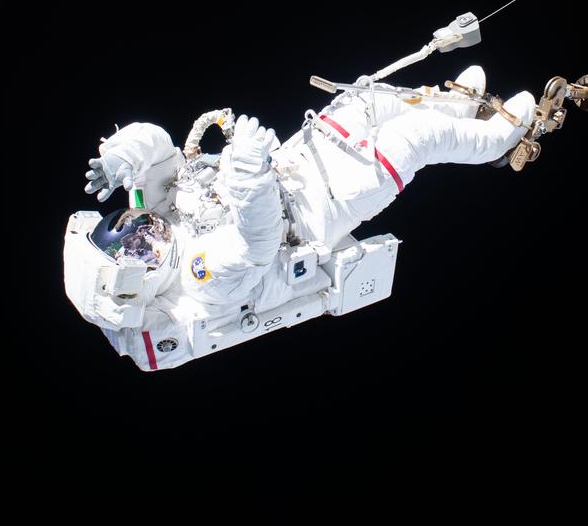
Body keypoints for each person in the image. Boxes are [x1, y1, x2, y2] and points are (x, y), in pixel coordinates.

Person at [63, 66, 535, 371]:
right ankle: (497, 139)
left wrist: (120, 156)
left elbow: (157, 152)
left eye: (126, 224)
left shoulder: (155, 213)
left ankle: (460, 103)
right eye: (138, 249)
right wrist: (247, 169)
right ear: (142, 280)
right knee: (414, 138)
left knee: (366, 100)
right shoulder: (201, 279)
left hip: (294, 167)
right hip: (323, 207)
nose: (145, 231)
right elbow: (257, 241)